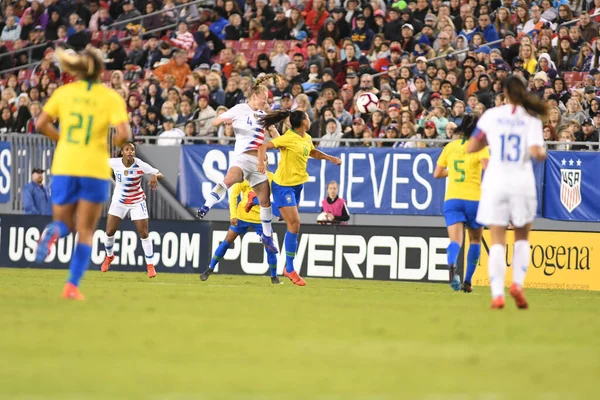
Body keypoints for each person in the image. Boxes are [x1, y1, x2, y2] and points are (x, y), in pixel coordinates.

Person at [34, 47, 130, 300]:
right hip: (94, 168)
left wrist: (62, 139)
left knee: (63, 223)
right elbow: (124, 135)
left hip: (65, 164)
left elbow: (41, 123)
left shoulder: (64, 93)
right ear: (101, 70)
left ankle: (52, 232)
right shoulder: (110, 98)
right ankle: (71, 286)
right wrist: (120, 145)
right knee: (85, 230)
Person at [467, 76, 548, 309]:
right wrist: (542, 154)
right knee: (522, 236)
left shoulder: (492, 116)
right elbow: (536, 151)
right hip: (521, 182)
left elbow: (473, 146)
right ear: (523, 92)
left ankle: (497, 294)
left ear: (503, 93)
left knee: (497, 239)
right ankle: (518, 285)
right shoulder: (531, 119)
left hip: (495, 182)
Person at [197, 74, 280, 255]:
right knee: (230, 180)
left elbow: (277, 139)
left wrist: (275, 133)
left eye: (266, 100)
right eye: (263, 99)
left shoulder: (264, 115)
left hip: (258, 162)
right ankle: (206, 206)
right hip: (242, 158)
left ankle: (266, 236)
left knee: (265, 201)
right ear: (254, 96)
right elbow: (214, 121)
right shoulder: (240, 109)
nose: (265, 102)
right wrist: (223, 119)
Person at [257, 110, 342, 286]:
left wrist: (330, 158)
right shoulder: (288, 137)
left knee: (289, 221)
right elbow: (263, 146)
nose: (310, 120)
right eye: (308, 118)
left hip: (297, 185)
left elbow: (313, 152)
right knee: (294, 224)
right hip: (283, 186)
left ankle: (257, 202)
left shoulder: (307, 138)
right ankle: (289, 268)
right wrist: (260, 163)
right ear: (303, 121)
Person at [433, 115, 489, 293]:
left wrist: (453, 173)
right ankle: (468, 281)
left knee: (455, 240)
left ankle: (451, 263)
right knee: (475, 239)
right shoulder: (481, 148)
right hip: (474, 200)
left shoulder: (450, 147)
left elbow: (437, 174)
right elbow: (489, 169)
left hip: (453, 199)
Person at [200, 173, 282, 284]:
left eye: (264, 160)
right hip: (242, 216)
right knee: (226, 242)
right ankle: (210, 268)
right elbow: (234, 195)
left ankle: (274, 277)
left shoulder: (272, 178)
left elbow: (278, 196)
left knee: (270, 247)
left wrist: (279, 212)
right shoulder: (245, 176)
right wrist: (233, 215)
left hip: (261, 219)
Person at [100, 142, 163, 278]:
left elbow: (160, 174)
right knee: (109, 232)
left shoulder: (140, 164)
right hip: (119, 201)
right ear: (122, 151)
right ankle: (109, 257)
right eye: (127, 149)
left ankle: (150, 266)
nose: (130, 152)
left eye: (132, 150)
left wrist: (154, 176)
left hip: (137, 201)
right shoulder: (114, 162)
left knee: (144, 233)